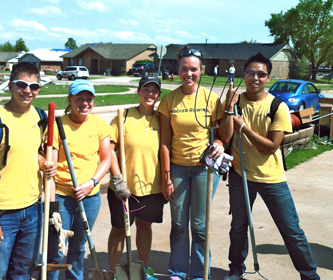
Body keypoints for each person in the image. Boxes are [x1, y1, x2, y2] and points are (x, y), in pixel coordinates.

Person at [218, 53, 320, 280]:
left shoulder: (278, 106)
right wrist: (228, 108)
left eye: (261, 74)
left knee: (291, 230)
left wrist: (244, 128)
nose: (255, 78)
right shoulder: (235, 102)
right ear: (244, 75)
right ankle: (236, 270)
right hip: (240, 176)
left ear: (269, 77)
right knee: (238, 228)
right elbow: (224, 137)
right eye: (251, 73)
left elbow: (271, 146)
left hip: (272, 178)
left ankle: (309, 275)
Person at [0, 62, 57, 279]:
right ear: (10, 85)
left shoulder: (40, 118)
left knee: (22, 274)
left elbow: (30, 151)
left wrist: (43, 162)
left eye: (34, 86)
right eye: (22, 84)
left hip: (33, 210)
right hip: (2, 213)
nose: (28, 91)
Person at [158, 47, 225, 280]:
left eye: (193, 69)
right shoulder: (169, 100)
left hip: (204, 169)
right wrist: (166, 176)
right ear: (177, 71)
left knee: (199, 225)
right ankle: (177, 272)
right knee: (178, 223)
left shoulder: (211, 98)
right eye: (184, 69)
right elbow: (165, 141)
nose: (189, 74)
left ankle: (199, 274)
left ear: (202, 71)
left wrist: (220, 143)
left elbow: (221, 133)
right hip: (177, 168)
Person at [46, 79, 112, 280]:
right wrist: (52, 207)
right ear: (70, 99)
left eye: (89, 99)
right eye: (79, 98)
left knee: (78, 247)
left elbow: (107, 159)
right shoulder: (58, 126)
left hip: (90, 196)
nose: (85, 103)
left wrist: (91, 183)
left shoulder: (99, 125)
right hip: (62, 195)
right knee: (57, 249)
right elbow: (50, 169)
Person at [107, 75, 165, 280]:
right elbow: (109, 151)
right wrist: (117, 179)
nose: (150, 94)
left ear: (158, 94)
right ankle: (115, 273)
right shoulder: (123, 117)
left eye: (154, 90)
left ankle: (144, 269)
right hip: (124, 187)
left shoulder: (162, 119)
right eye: (146, 89)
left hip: (153, 187)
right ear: (138, 91)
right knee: (119, 229)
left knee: (144, 226)